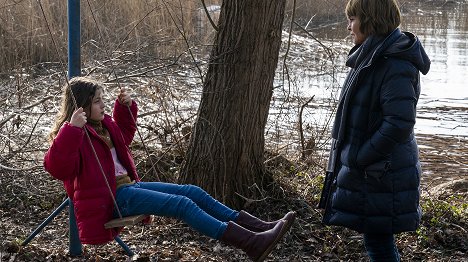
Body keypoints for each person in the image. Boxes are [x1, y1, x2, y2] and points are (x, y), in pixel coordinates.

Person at [44, 77, 296, 261]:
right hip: (112, 200)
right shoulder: (73, 134)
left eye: (103, 100)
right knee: (182, 205)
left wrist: (124, 107)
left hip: (129, 187)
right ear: (81, 106)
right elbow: (57, 168)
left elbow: (125, 138)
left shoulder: (103, 126)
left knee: (192, 192)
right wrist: (72, 130)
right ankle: (251, 243)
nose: (103, 105)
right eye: (97, 101)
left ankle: (259, 228)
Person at [318, 0, 430, 261]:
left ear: (371, 20)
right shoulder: (373, 56)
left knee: (379, 246)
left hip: (382, 173)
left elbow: (399, 124)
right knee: (377, 243)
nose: (348, 27)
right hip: (377, 173)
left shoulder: (395, 63)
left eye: (353, 19)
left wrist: (360, 156)